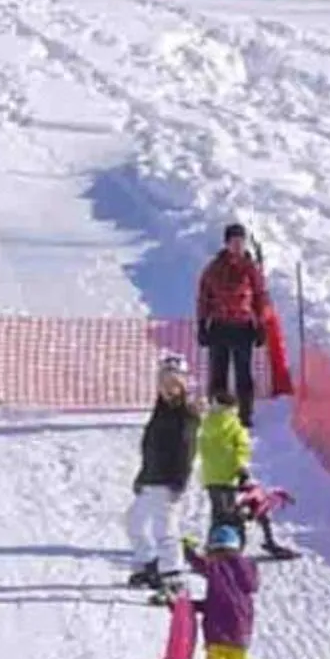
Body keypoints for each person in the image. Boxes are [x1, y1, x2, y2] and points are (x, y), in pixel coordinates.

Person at [127, 354, 200, 593]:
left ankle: (172, 574)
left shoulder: (185, 414)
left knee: (165, 529)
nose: (168, 388)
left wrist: (180, 481)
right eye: (164, 382)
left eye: (174, 383)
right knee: (134, 523)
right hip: (150, 479)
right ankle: (148, 563)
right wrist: (141, 476)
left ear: (182, 385)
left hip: (168, 482)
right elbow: (150, 448)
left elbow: (187, 449)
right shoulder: (160, 410)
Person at [195, 223, 270, 428]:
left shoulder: (251, 269)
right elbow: (204, 298)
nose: (237, 246)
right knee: (218, 373)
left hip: (243, 327)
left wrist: (261, 324)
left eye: (241, 242)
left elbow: (261, 297)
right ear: (226, 243)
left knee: (243, 373)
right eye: (234, 241)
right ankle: (218, 414)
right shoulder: (214, 268)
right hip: (220, 326)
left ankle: (245, 414)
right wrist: (202, 324)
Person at [194, 524, 259, 659]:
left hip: (220, 637)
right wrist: (192, 606)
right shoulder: (244, 572)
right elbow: (220, 603)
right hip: (241, 637)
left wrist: (188, 553)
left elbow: (204, 566)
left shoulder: (220, 568)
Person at [197, 389, 250, 542]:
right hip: (230, 474)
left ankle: (215, 541)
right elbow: (242, 447)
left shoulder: (207, 423)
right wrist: (241, 467)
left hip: (212, 476)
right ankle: (234, 540)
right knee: (230, 511)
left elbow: (202, 447)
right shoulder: (234, 425)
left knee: (218, 511)